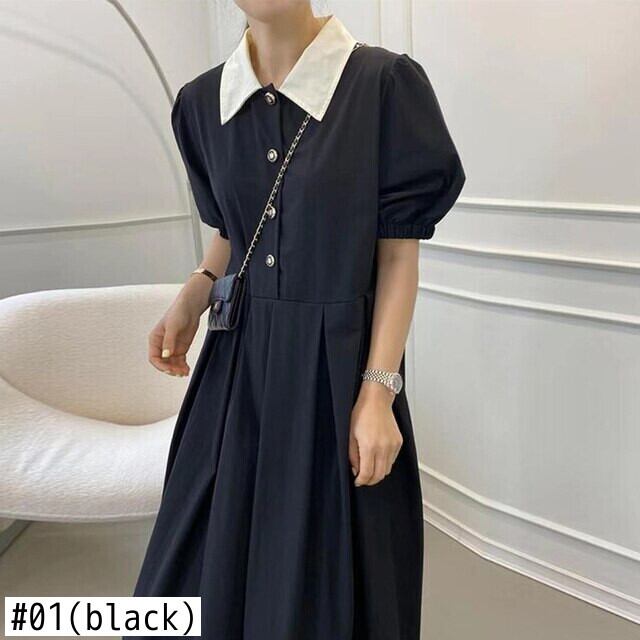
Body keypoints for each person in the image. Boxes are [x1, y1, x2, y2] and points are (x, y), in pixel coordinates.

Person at [130, 2, 465, 639]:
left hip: (337, 374)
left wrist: (378, 392)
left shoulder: (383, 87)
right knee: (201, 569)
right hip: (237, 371)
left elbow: (397, 257)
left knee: (326, 583)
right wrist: (194, 292)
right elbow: (233, 230)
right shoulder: (202, 103)